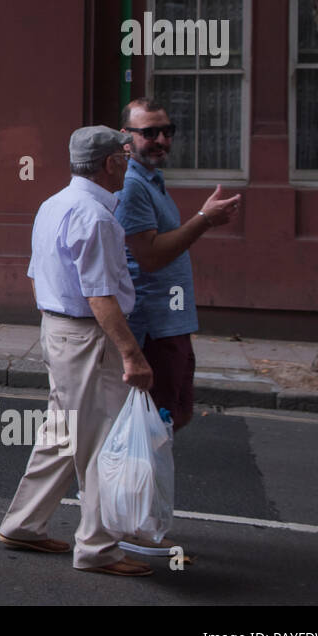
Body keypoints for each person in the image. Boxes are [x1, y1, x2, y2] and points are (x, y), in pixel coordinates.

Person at [0, 125, 155, 576]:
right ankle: (98, 549)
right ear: (110, 163)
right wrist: (132, 355)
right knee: (102, 444)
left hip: (59, 330)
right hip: (89, 338)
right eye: (124, 157)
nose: (128, 165)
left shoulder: (53, 205)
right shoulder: (98, 217)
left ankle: (24, 523)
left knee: (65, 433)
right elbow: (101, 296)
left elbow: (34, 275)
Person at [113, 98, 240, 555]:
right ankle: (133, 526)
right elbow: (149, 255)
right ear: (126, 138)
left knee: (173, 416)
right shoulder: (132, 186)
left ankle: (132, 512)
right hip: (151, 325)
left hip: (173, 322)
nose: (161, 139)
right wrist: (204, 219)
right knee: (152, 426)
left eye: (168, 130)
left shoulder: (152, 181)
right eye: (150, 132)